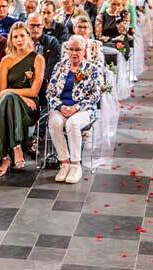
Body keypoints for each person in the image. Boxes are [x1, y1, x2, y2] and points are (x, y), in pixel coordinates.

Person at [47, 36, 107, 183]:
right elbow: (50, 92)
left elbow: (96, 94)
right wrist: (61, 106)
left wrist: (76, 107)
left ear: (84, 50)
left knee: (72, 124)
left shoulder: (92, 69)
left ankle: (76, 165)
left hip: (83, 109)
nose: (74, 53)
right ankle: (64, 163)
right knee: (54, 123)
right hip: (61, 107)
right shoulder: (60, 66)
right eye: (71, 49)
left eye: (78, 49)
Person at [0, 23, 46, 176]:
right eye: (15, 36)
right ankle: (16, 147)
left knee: (9, 99)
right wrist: (17, 96)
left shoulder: (38, 59)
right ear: (11, 40)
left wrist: (12, 93)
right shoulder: (6, 60)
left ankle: (5, 158)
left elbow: (34, 91)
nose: (19, 39)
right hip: (9, 103)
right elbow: (1, 92)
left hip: (29, 109)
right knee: (8, 101)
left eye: (22, 35)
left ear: (28, 36)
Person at [28, 13, 63, 80]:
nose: (35, 29)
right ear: (27, 25)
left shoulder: (52, 42)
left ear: (43, 25)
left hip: (43, 81)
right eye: (32, 25)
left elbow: (51, 68)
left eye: (38, 25)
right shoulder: (22, 41)